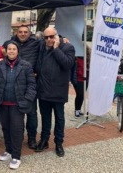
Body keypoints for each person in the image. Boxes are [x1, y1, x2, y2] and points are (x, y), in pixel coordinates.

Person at [0, 41, 36, 170]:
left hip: (17, 104)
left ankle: (16, 156)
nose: (11, 51)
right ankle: (9, 150)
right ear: (6, 51)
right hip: (2, 104)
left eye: (14, 49)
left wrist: (27, 99)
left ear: (17, 51)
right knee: (5, 128)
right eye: (9, 49)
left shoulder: (26, 66)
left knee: (16, 130)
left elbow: (32, 85)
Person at [35, 27, 75, 157]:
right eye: (46, 37)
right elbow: (26, 39)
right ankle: (44, 140)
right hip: (43, 90)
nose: (49, 40)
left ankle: (58, 143)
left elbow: (68, 64)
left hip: (58, 90)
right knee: (45, 118)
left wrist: (56, 48)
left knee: (59, 118)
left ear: (57, 36)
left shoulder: (67, 47)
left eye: (52, 37)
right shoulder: (41, 45)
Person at [11, 25, 41, 149]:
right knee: (17, 113)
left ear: (29, 33)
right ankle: (19, 137)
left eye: (25, 32)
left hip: (30, 83)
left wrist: (62, 39)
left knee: (32, 113)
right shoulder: (11, 42)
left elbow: (51, 41)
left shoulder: (36, 43)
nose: (23, 34)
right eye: (20, 32)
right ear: (17, 33)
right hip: (15, 84)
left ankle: (32, 138)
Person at [71, 46, 91, 117]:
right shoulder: (76, 58)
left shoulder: (88, 59)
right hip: (78, 79)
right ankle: (76, 110)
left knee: (82, 95)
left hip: (86, 80)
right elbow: (73, 70)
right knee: (79, 94)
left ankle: (79, 110)